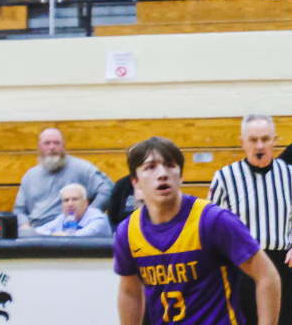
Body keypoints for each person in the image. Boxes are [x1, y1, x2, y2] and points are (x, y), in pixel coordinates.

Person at [114, 136, 282, 325]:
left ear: (181, 176)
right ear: (135, 182)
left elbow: (267, 276)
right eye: (150, 167)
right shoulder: (128, 232)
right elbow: (130, 291)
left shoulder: (214, 220)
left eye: (170, 165)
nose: (162, 174)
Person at [208, 114, 292, 325]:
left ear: (274, 140)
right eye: (253, 140)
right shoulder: (225, 177)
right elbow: (211, 229)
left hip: (281, 264)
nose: (260, 145)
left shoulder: (291, 176)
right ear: (243, 143)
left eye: (265, 139)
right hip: (242, 264)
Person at [13, 127, 114, 230]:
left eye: (56, 143)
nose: (52, 147)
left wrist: (89, 215)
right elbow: (19, 210)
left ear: (63, 146)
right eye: (47, 143)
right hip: (35, 231)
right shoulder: (30, 175)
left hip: (69, 231)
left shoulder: (81, 168)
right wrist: (25, 225)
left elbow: (107, 189)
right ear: (39, 147)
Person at [35, 182, 114, 236]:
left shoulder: (99, 220)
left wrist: (57, 235)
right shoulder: (63, 218)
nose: (70, 204)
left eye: (75, 199)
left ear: (86, 202)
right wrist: (53, 235)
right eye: (66, 200)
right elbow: (38, 232)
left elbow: (76, 239)